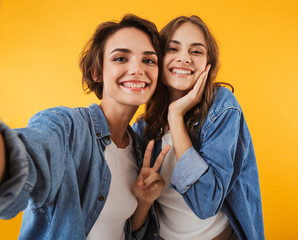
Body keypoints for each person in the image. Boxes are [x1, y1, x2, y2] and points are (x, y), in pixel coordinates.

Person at [0, 14, 171, 240]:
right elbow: (31, 150)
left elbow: (126, 228)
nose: (138, 69)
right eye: (120, 58)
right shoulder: (67, 127)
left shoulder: (141, 149)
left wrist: (144, 202)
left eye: (149, 60)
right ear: (96, 72)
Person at [133, 15, 264, 240]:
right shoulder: (143, 129)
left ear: (208, 64)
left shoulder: (222, 106)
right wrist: (144, 201)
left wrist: (175, 115)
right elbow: (134, 221)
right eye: (173, 49)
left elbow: (206, 202)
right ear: (158, 57)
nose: (184, 58)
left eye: (196, 51)